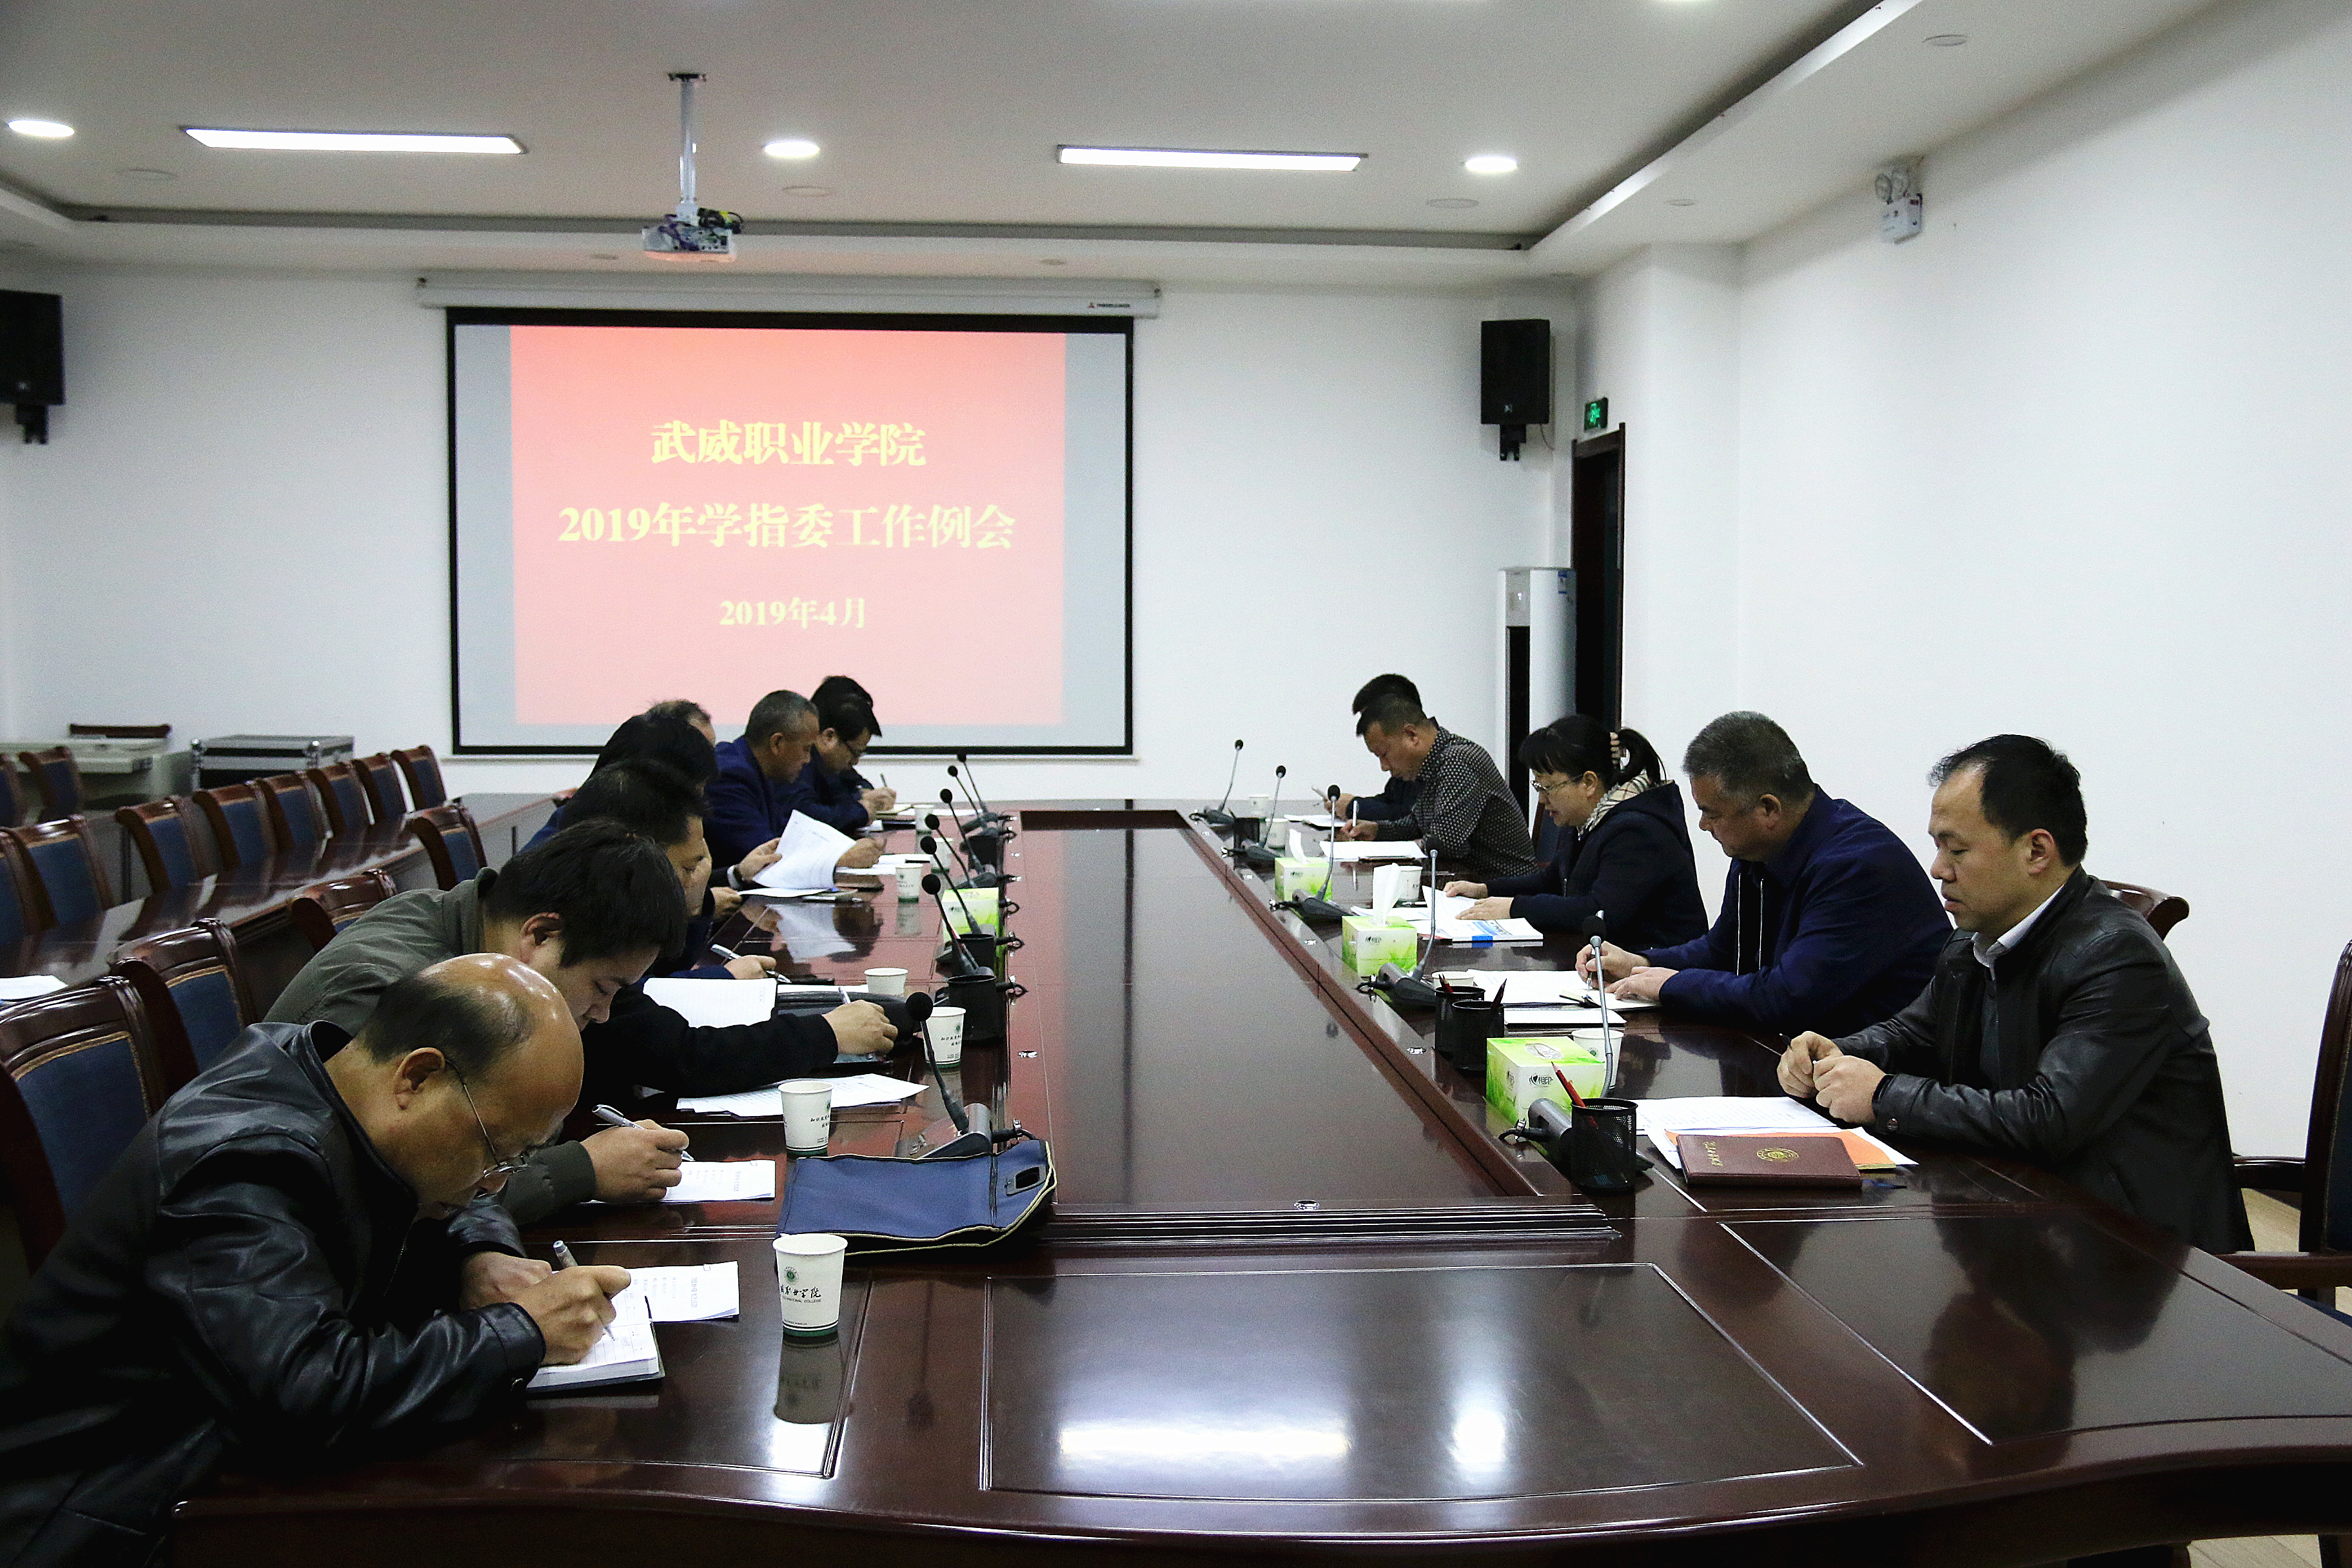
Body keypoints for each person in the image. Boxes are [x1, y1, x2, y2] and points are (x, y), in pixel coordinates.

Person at [0, 957, 633, 1568]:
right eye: (497, 1151)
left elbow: (445, 1187)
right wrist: (518, 1332)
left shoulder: (341, 1078)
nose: (494, 1183)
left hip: (200, 1471)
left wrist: (481, 1252)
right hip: (102, 1517)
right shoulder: (247, 1163)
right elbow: (304, 1393)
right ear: (417, 1077)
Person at [1779, 735, 2249, 1253]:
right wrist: (1836, 1054)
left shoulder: (2118, 956)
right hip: (2027, 1212)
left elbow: (2051, 1118)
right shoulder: (1974, 941)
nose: (1938, 869)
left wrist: (1881, 1095)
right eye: (1938, 846)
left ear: (2036, 851)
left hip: (2138, 1253)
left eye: (1957, 849)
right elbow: (1914, 1033)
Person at [267, 821, 692, 1220]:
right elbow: (389, 1196)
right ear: (541, 935)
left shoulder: (467, 930)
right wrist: (582, 1170)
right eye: (602, 988)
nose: (602, 1014)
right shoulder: (390, 989)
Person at [561, 758, 897, 1116]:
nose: (701, 875)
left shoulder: (590, 902)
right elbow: (684, 1056)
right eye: (690, 865)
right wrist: (825, 1034)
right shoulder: (586, 933)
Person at [1582, 711, 1947, 1035]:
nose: (1704, 825)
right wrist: (1643, 963)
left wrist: (1670, 986)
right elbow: (1723, 950)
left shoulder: (1858, 867)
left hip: (1876, 1072)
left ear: (1768, 810)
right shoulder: (1756, 854)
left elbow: (1789, 999)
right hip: (1799, 1058)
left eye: (1712, 812)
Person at [1442, 718, 1706, 951]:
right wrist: (1486, 890)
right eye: (1538, 787)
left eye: (1548, 787)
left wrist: (1514, 908)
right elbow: (1553, 881)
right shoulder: (1585, 821)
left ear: (1588, 783)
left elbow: (1599, 912)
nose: (1542, 800)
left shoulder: (1638, 831)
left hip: (1657, 970)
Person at [1336, 691, 1536, 879]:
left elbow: (1445, 843)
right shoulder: (1433, 762)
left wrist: (1400, 848)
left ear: (1412, 735)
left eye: (1384, 754)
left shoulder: (1458, 761)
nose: (1384, 766)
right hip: (1467, 881)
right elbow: (1419, 824)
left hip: (1504, 887)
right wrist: (1377, 831)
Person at [705, 689, 883, 876]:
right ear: (777, 743)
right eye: (806, 749)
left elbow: (785, 831)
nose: (808, 760)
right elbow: (764, 856)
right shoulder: (730, 776)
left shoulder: (759, 770)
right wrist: (841, 857)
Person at [784, 683, 897, 834]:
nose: (856, 761)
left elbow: (846, 794)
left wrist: (860, 796)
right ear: (829, 737)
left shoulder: (828, 764)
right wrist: (861, 811)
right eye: (855, 753)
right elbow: (804, 816)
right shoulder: (799, 760)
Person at [1333, 674, 1422, 823]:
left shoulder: (1453, 762)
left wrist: (1353, 807)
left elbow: (1410, 816)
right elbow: (1391, 801)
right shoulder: (1405, 763)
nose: (1384, 767)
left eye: (1369, 718)